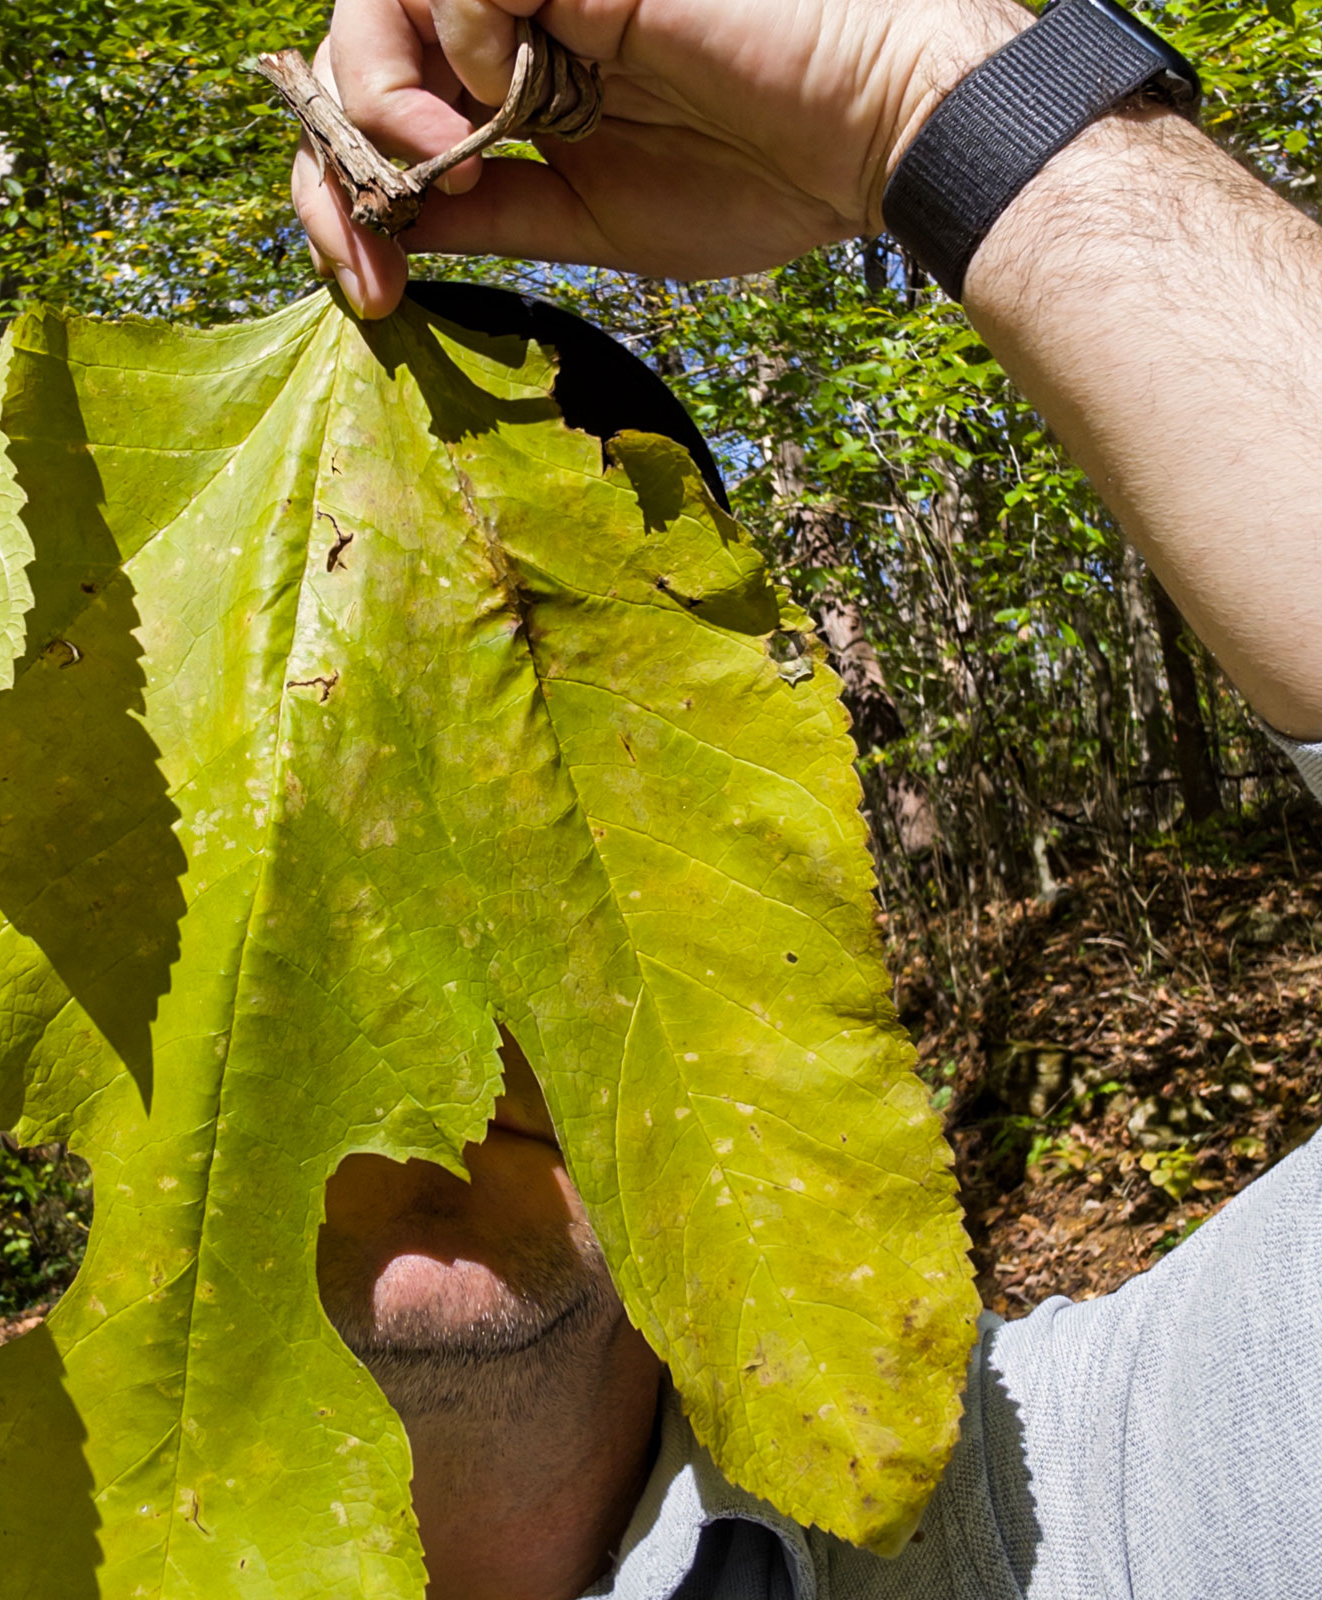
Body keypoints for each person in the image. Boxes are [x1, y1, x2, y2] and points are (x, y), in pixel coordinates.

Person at [288, 0, 1322, 1598]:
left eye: (569, 807)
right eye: (336, 819)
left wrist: (927, 96)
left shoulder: (1075, 1519)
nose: (447, 961)